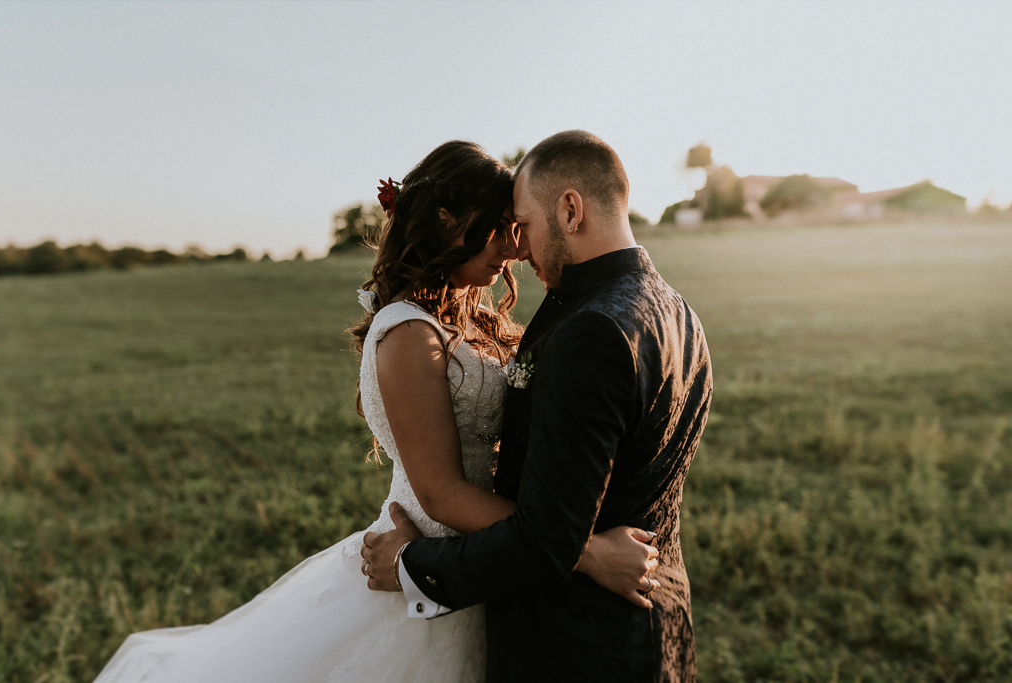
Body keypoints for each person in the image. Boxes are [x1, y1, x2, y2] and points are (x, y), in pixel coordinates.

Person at [93, 140, 654, 683]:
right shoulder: (408, 333)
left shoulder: (474, 318)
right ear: (445, 220)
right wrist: (587, 552)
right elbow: (441, 493)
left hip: (490, 567)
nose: (514, 249)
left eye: (517, 228)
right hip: (422, 560)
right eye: (499, 228)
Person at [362, 130, 714, 683]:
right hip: (657, 631)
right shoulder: (681, 312)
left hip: (579, 645)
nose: (517, 250)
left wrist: (412, 565)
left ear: (570, 210)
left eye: (521, 227)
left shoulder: (590, 331)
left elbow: (546, 541)